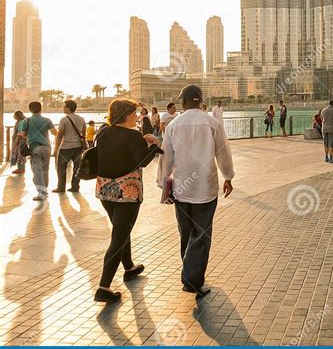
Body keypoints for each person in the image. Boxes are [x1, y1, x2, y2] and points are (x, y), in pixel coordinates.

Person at [160, 84, 234, 299]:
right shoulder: (213, 123)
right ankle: (192, 278)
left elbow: (166, 158)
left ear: (183, 102)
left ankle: (189, 274)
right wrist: (228, 176)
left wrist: (165, 185)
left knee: (186, 232)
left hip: (182, 189)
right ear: (200, 101)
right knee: (201, 235)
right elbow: (223, 152)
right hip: (206, 188)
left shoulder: (174, 125)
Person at [94, 98, 162, 304]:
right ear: (125, 115)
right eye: (134, 113)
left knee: (121, 229)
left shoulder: (103, 132)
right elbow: (142, 161)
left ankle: (129, 268)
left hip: (105, 191)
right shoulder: (133, 136)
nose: (138, 117)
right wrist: (153, 144)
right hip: (127, 194)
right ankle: (103, 287)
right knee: (119, 237)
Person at [24, 101, 58, 201]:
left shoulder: (27, 121)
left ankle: (41, 192)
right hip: (47, 148)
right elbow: (55, 133)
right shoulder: (47, 120)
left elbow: (22, 134)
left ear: (30, 110)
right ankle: (44, 189)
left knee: (36, 171)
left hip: (35, 148)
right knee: (45, 169)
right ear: (41, 109)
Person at [52, 100, 86, 194]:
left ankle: (61, 187)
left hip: (66, 148)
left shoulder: (64, 119)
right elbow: (83, 133)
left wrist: (56, 149)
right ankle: (75, 186)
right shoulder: (81, 119)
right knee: (76, 168)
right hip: (78, 147)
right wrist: (85, 145)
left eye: (64, 106)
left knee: (61, 168)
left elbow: (60, 135)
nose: (63, 108)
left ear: (69, 108)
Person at [322, 99, 333, 164]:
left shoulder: (324, 110)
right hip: (332, 128)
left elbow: (322, 118)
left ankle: (326, 157)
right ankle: (331, 158)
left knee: (325, 143)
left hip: (324, 128)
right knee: (331, 144)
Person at [10, 110, 27, 174]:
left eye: (14, 115)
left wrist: (16, 140)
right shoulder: (21, 121)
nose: (13, 116)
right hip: (22, 140)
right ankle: (22, 168)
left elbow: (20, 133)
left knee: (19, 154)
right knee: (21, 153)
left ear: (17, 116)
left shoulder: (21, 122)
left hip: (20, 140)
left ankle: (20, 169)